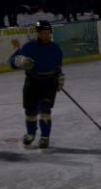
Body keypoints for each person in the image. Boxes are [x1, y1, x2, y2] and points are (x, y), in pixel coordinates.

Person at [8, 20, 64, 149]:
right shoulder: (28, 47)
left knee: (45, 111)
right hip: (32, 82)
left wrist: (59, 77)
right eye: (43, 33)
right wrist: (19, 60)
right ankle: (30, 134)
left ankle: (45, 137)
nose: (46, 35)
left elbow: (58, 66)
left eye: (48, 33)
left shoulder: (56, 48)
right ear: (38, 33)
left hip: (49, 83)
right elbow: (11, 62)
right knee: (30, 111)